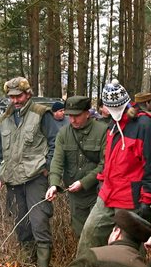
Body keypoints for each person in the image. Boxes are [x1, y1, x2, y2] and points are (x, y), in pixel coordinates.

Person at [76, 80, 151, 254]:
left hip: (131, 198)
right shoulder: (112, 125)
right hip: (107, 193)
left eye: (114, 108)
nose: (109, 112)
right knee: (89, 235)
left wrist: (147, 199)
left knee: (128, 247)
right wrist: (102, 180)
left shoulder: (143, 126)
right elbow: (109, 159)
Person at [0, 77, 58, 267]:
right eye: (11, 97)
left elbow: (55, 143)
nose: (15, 100)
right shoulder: (4, 119)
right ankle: (27, 264)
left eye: (18, 96)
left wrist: (47, 169)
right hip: (12, 180)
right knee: (20, 223)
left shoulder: (41, 114)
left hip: (35, 178)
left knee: (39, 221)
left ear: (28, 94)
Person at [45, 96, 106, 237]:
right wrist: (54, 184)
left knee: (97, 234)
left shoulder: (102, 131)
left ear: (87, 113)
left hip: (97, 192)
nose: (72, 120)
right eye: (69, 116)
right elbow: (57, 161)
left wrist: (84, 182)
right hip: (76, 197)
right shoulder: (64, 133)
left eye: (76, 116)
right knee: (81, 234)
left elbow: (105, 164)